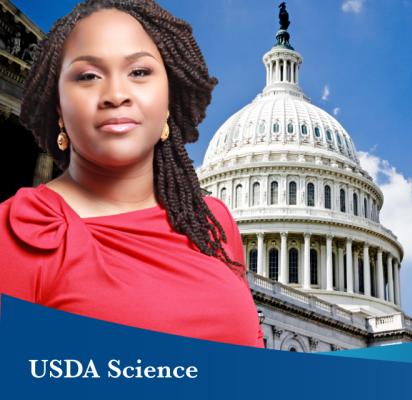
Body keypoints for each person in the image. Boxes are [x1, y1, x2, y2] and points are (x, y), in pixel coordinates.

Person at [0, 0, 264, 348]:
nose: (116, 95)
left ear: (168, 99)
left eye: (139, 72)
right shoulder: (17, 232)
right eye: (88, 76)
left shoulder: (212, 223)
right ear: (59, 108)